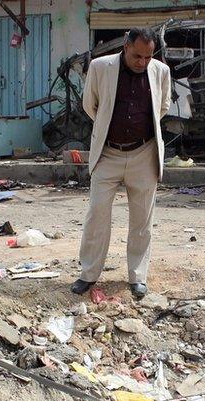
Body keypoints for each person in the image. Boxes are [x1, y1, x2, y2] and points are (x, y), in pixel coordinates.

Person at [71, 28, 171, 300]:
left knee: (142, 220)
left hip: (144, 154)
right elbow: (90, 105)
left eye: (148, 57)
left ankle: (137, 277)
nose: (142, 62)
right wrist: (108, 127)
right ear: (126, 47)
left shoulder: (161, 71)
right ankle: (88, 274)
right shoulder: (100, 67)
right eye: (137, 55)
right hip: (108, 154)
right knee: (97, 215)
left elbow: (162, 107)